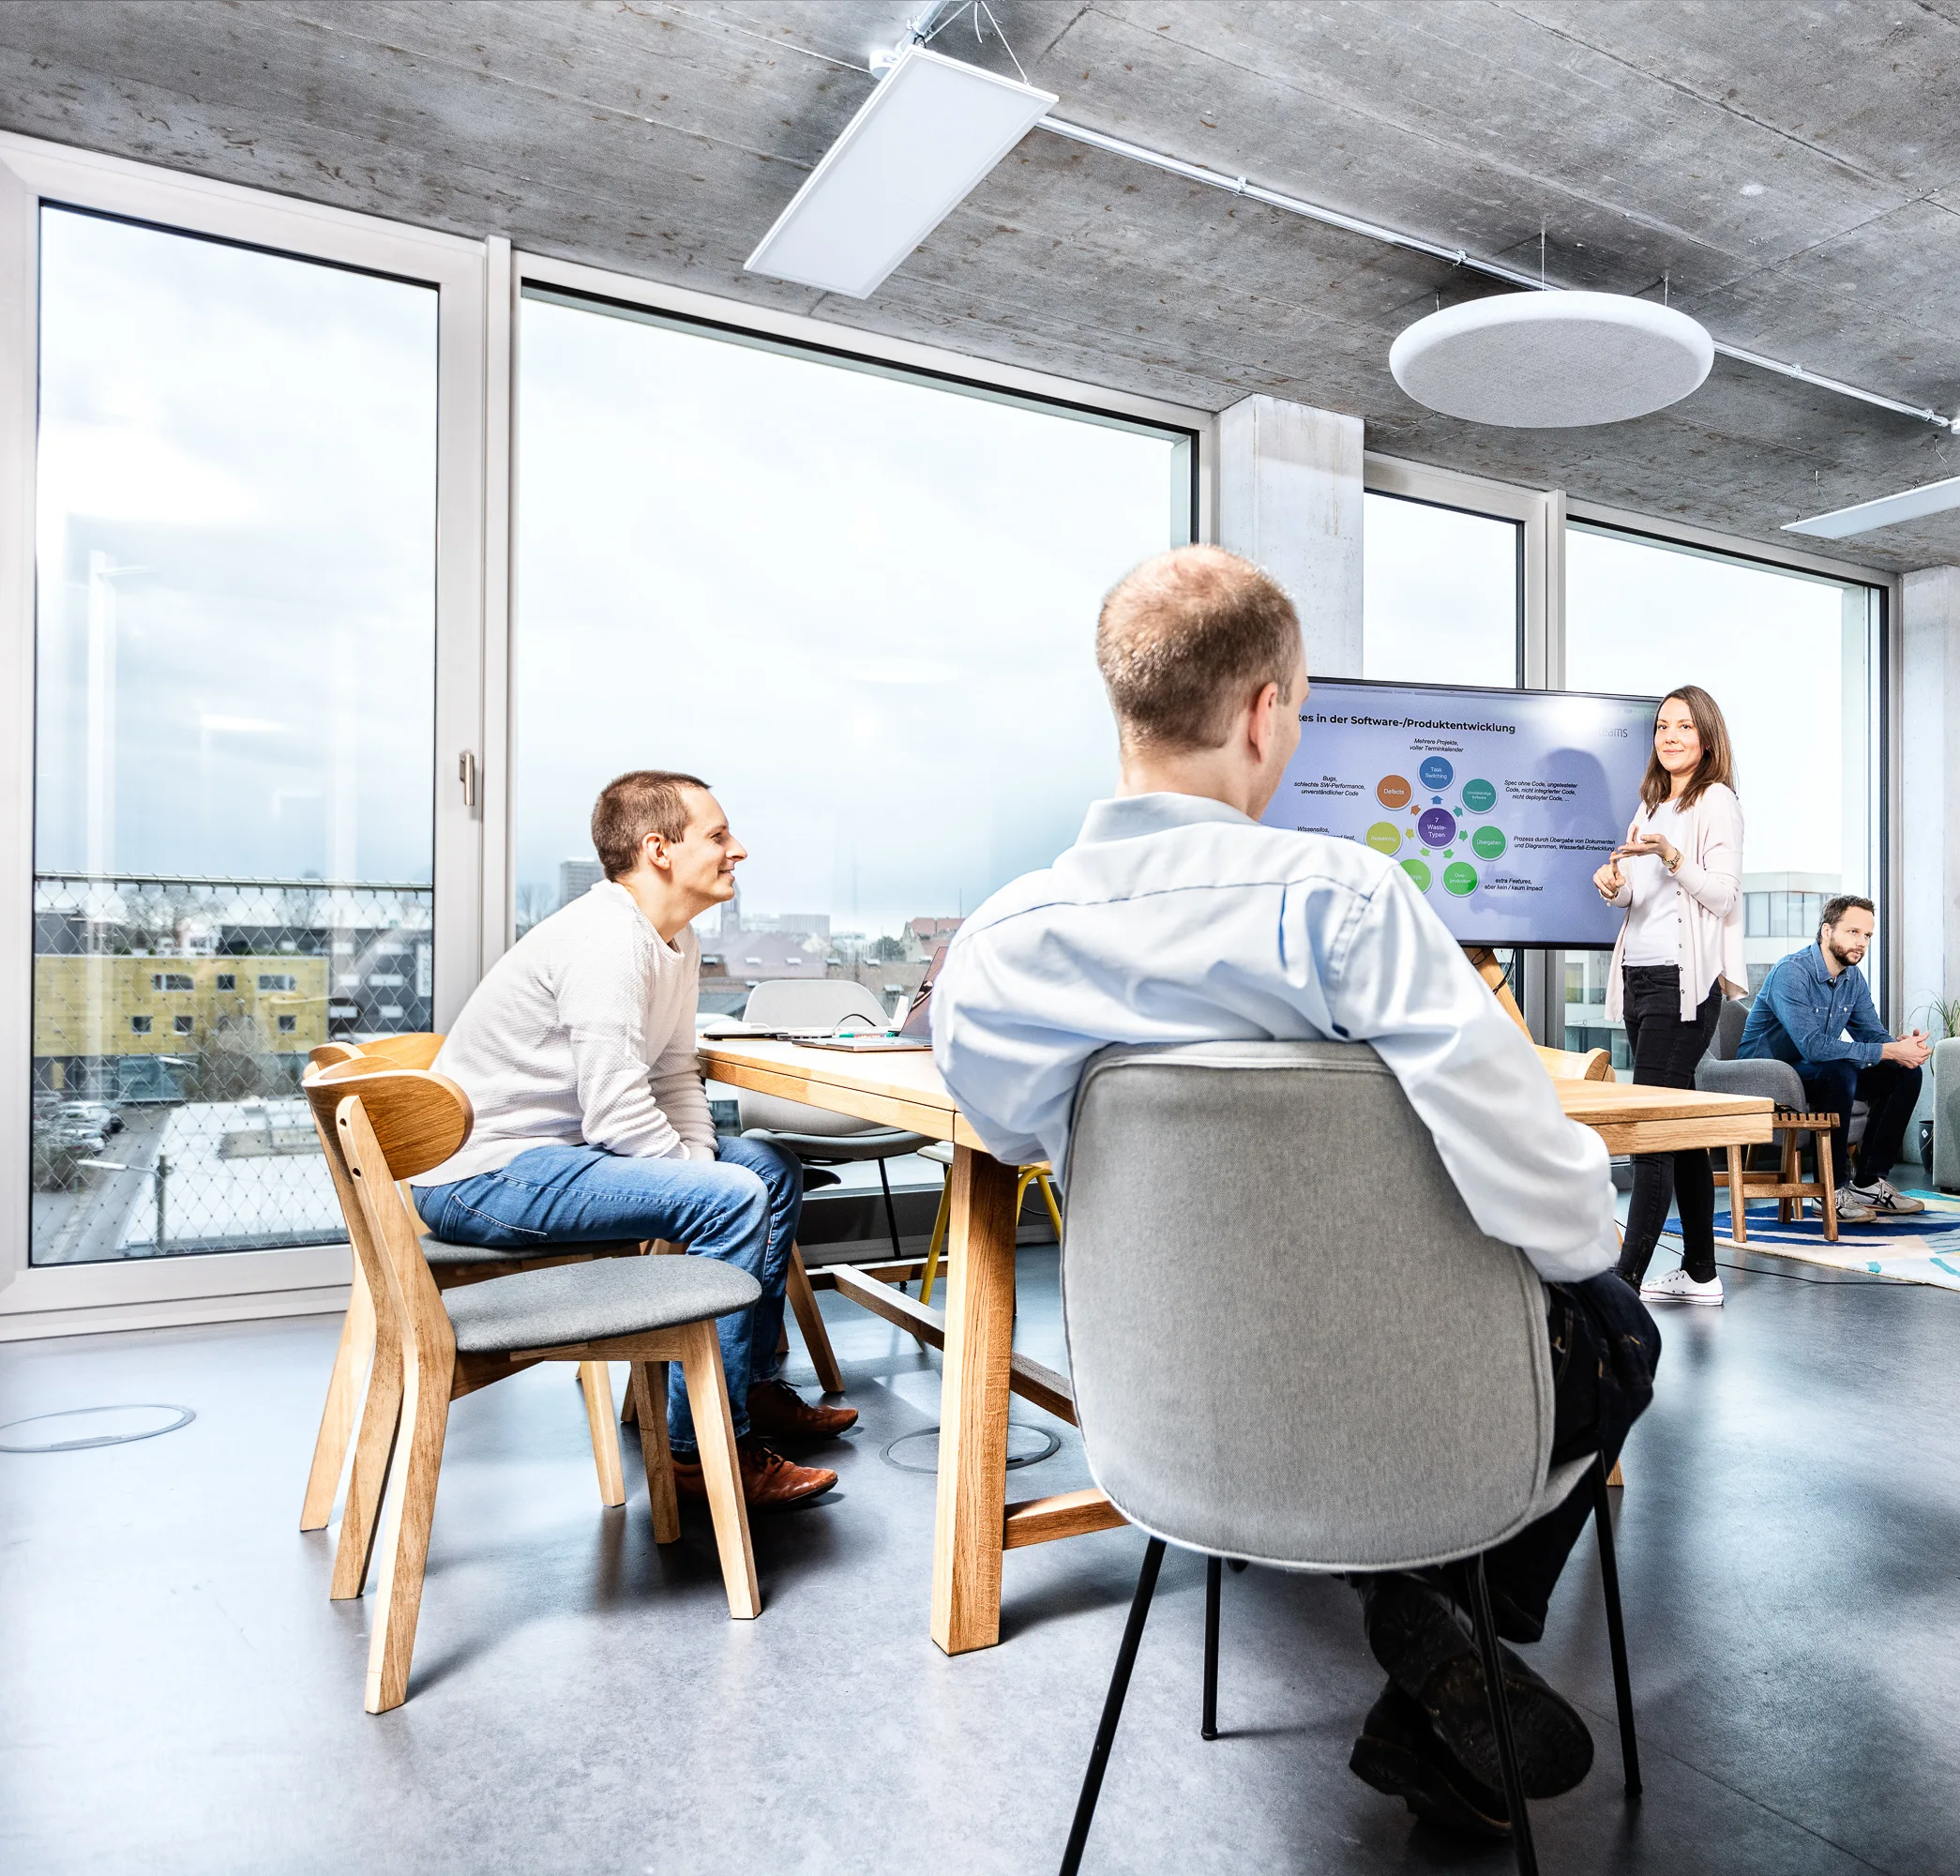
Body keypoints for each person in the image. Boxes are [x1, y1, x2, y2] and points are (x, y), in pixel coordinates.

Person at [931, 545, 1657, 1840]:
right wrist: (1589, 1243)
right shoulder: (1345, 901)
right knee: (1619, 1325)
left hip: (1167, 1421)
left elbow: (1025, 1139)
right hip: (1415, 1411)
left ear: (1127, 709)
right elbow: (1534, 1177)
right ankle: (1434, 1649)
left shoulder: (994, 954)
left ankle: (1426, 1659)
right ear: (1267, 711)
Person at [410, 771, 852, 1508]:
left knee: (767, 1168)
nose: (736, 850)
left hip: (567, 1150)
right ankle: (701, 1454)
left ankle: (744, 1390)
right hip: (485, 1175)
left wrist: (702, 1170)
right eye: (717, 836)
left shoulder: (671, 943)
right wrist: (706, 1188)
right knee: (733, 1196)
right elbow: (618, 1114)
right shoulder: (608, 941)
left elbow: (676, 1078)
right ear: (659, 850)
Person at [1591, 685, 1745, 1299]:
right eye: (1662, 727)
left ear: (1706, 737)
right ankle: (1702, 1273)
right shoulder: (1651, 803)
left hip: (1685, 985)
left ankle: (1623, 1283)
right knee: (1677, 1127)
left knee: (1649, 1126)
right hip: (1639, 975)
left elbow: (1725, 895)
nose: (1671, 736)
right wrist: (1614, 883)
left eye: (1684, 726)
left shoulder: (1717, 801)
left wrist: (1674, 855)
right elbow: (1639, 896)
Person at [1736, 894, 1932, 1236]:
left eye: (1867, 936)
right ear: (1827, 931)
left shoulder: (1852, 979)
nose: (1861, 942)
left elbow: (1872, 1034)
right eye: (1853, 932)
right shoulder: (1791, 973)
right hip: (1767, 1075)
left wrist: (1899, 1048)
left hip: (1814, 1071)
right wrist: (1885, 1050)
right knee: (1838, 1069)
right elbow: (1812, 1046)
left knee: (1904, 1072)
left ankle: (1869, 1180)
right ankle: (1831, 1189)